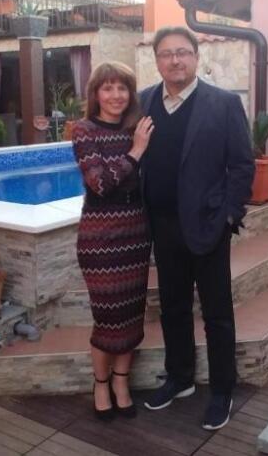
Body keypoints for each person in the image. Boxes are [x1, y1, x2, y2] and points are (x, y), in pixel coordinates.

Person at [139, 26, 255, 431]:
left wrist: (229, 215)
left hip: (208, 226)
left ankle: (222, 389)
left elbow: (242, 164)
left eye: (183, 52)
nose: (175, 60)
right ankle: (181, 377)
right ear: (157, 60)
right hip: (162, 226)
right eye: (166, 53)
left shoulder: (223, 104)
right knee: (172, 308)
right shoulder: (144, 101)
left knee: (217, 313)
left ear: (196, 57)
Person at [71, 61, 154, 421]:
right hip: (100, 236)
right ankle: (101, 384)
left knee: (131, 315)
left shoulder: (137, 128)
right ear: (95, 93)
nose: (116, 95)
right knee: (107, 317)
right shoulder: (84, 130)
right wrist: (136, 151)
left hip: (136, 232)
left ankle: (122, 383)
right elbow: (100, 184)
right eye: (108, 88)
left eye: (122, 88)